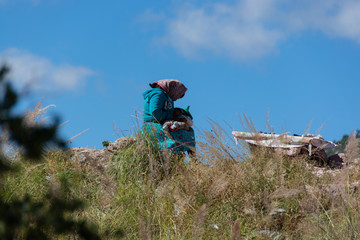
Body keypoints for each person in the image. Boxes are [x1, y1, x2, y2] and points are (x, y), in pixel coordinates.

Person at [142, 79, 196, 155]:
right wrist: (172, 116)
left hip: (161, 123)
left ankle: (192, 160)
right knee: (186, 133)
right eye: (178, 95)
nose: (176, 99)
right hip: (154, 126)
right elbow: (155, 112)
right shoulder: (158, 94)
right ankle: (192, 160)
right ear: (174, 90)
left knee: (188, 130)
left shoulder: (164, 96)